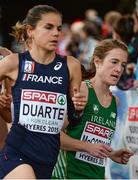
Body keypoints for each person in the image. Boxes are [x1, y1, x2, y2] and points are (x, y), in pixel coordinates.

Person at [0, 4, 83, 179]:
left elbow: (74, 120)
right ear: (30, 31)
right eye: (48, 27)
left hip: (47, 157)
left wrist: (78, 109)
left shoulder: (71, 65)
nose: (56, 33)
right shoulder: (14, 62)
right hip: (17, 152)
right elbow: (8, 115)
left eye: (59, 28)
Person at [52, 39, 134, 179]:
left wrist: (110, 154)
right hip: (69, 175)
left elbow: (93, 144)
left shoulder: (115, 101)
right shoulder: (81, 90)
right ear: (97, 62)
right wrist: (87, 147)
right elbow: (52, 135)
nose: (119, 69)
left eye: (123, 65)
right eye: (114, 62)